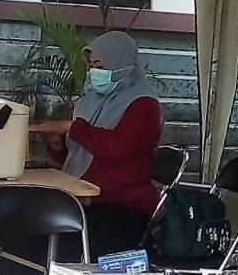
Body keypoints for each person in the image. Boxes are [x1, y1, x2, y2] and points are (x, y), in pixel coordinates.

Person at [29, 30, 163, 262]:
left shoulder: (144, 105)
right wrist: (58, 146)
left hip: (122, 204)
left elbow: (118, 148)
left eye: (100, 65)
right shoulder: (89, 102)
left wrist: (73, 128)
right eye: (91, 66)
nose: (94, 72)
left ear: (121, 64)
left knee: (60, 247)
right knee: (25, 234)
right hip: (84, 198)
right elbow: (81, 158)